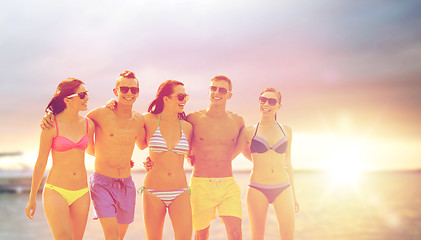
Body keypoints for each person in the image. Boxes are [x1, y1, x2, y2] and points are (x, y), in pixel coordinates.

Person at [41, 71, 146, 240]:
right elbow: (73, 119)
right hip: (102, 183)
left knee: (119, 236)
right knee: (111, 236)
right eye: (124, 89)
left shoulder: (140, 120)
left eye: (134, 90)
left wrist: (150, 161)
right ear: (115, 91)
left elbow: (144, 144)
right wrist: (50, 115)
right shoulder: (98, 114)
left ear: (138, 92)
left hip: (127, 184)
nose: (129, 93)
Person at [25, 78, 95, 240]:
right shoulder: (50, 125)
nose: (87, 98)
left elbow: (94, 151)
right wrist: (32, 199)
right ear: (67, 99)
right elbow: (41, 162)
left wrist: (123, 159)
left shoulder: (89, 125)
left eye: (87, 94)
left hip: (82, 192)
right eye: (82, 95)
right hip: (56, 191)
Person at [187, 75, 245, 240]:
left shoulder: (238, 120)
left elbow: (245, 148)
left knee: (236, 233)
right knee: (201, 235)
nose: (216, 92)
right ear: (209, 91)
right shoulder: (193, 118)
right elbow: (171, 134)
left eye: (222, 89)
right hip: (200, 185)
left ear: (229, 95)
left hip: (227, 184)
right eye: (213, 88)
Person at [238, 88, 299, 240]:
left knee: (288, 236)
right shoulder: (249, 131)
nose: (266, 103)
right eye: (262, 99)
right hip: (257, 188)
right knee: (257, 237)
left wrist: (294, 196)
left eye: (271, 101)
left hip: (283, 187)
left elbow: (288, 162)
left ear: (279, 105)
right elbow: (234, 152)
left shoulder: (287, 130)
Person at [140, 80, 193, 239]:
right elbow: (135, 140)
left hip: (180, 191)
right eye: (180, 96)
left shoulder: (187, 127)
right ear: (166, 98)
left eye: (186, 96)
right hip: (153, 191)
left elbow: (190, 157)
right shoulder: (147, 120)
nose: (184, 100)